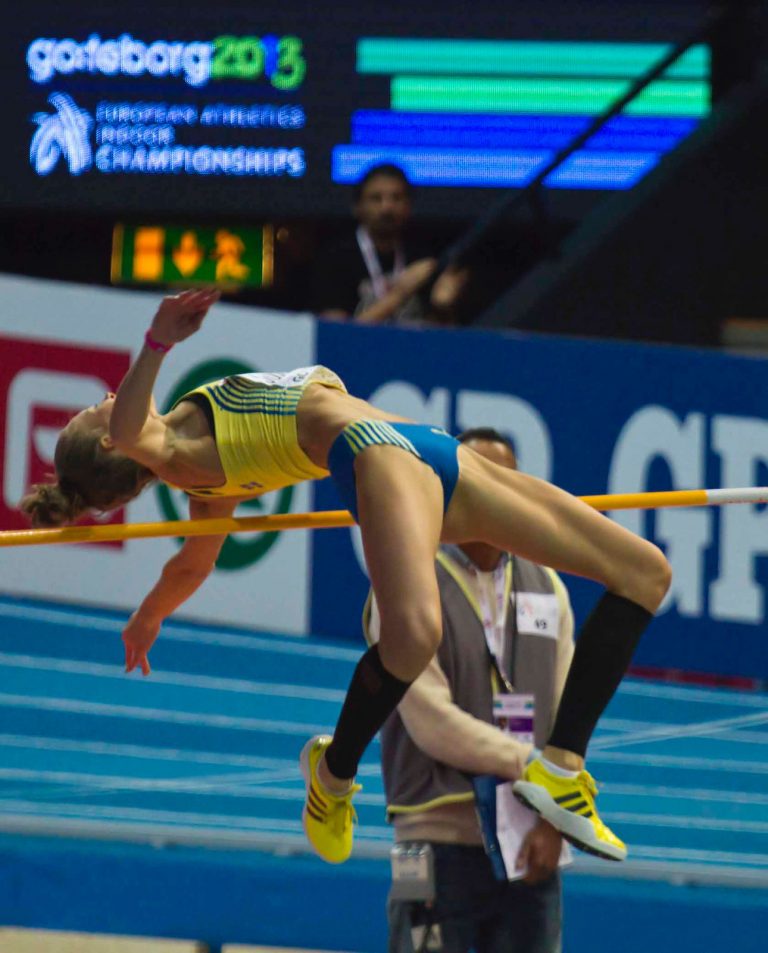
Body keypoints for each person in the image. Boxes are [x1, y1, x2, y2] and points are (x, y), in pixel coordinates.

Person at [20, 289, 671, 869]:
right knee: (415, 636)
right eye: (93, 409)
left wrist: (149, 614)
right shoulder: (176, 457)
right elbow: (139, 435)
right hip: (377, 457)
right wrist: (158, 342)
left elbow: (193, 564)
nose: (105, 397)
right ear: (112, 446)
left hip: (426, 448)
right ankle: (331, 778)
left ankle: (561, 767)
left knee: (644, 572)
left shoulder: (202, 466)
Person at [366, 428, 572, 953]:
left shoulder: (548, 586)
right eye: (475, 479)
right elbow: (430, 720)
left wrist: (557, 820)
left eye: (503, 480)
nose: (491, 492)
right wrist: (527, 762)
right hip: (434, 841)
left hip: (531, 846)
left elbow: (569, 721)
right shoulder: (402, 584)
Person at [310, 163, 466, 325]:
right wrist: (399, 294)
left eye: (396, 198)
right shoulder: (335, 259)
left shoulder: (422, 257)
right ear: (357, 207)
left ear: (409, 207)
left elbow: (440, 338)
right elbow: (335, 337)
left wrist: (442, 308)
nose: (387, 208)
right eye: (376, 198)